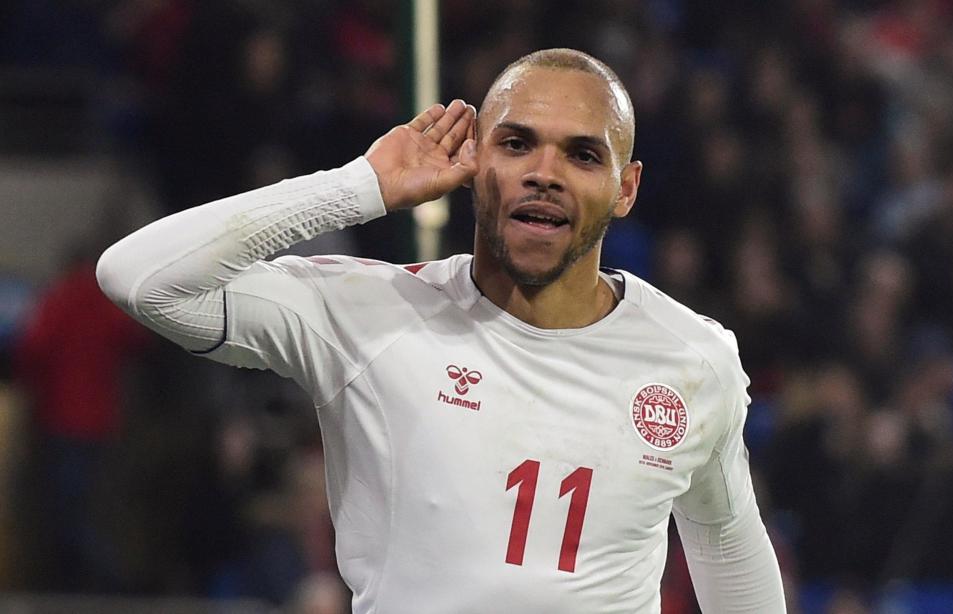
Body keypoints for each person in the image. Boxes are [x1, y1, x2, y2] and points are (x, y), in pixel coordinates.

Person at [97, 48, 786, 613]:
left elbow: (724, 542)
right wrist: (359, 185)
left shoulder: (693, 358)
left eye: (581, 154)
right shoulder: (366, 315)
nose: (543, 173)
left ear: (625, 186)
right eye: (517, 144)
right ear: (474, 162)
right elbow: (141, 278)